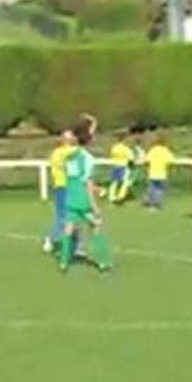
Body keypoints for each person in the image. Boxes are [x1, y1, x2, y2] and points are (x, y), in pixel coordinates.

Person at [59, 116, 112, 274]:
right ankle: (103, 262)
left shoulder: (70, 157)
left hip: (71, 196)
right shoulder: (88, 159)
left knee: (68, 229)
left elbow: (72, 176)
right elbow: (87, 183)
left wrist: (91, 123)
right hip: (83, 199)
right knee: (96, 226)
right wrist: (94, 205)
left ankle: (63, 262)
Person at [43, 130, 75, 254]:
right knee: (63, 216)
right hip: (63, 186)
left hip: (68, 187)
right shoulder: (62, 153)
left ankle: (75, 245)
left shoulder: (58, 152)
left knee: (73, 216)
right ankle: (51, 238)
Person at [143, 134, 175, 210]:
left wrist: (147, 168)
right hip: (162, 173)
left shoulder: (152, 150)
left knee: (152, 189)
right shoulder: (165, 151)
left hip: (152, 173)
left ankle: (150, 203)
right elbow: (170, 161)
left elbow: (146, 161)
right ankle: (156, 204)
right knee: (159, 190)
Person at [107, 131, 134, 204]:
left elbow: (111, 155)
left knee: (114, 182)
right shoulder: (126, 149)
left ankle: (112, 197)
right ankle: (120, 196)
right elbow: (131, 158)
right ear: (124, 140)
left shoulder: (114, 147)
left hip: (114, 166)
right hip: (123, 166)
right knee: (126, 182)